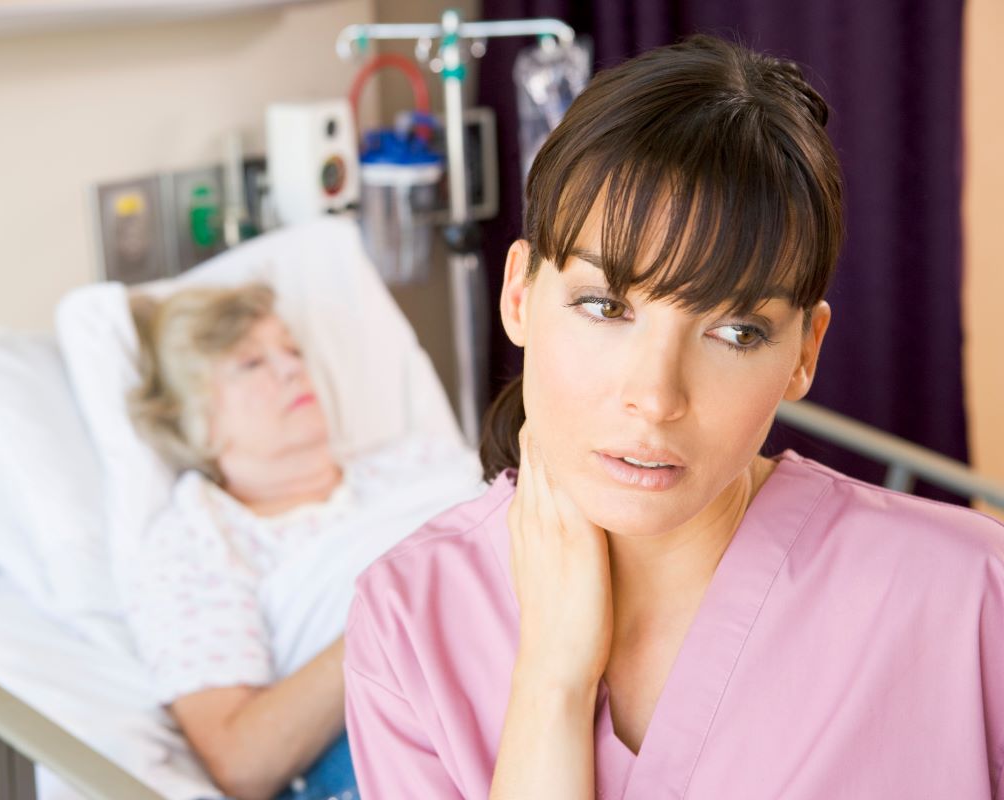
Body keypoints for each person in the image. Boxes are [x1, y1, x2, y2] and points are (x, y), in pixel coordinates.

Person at [343, 34, 1004, 799]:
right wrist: (552, 680)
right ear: (519, 295)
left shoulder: (971, 599)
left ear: (804, 352)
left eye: (735, 333)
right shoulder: (408, 624)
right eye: (604, 307)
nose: (656, 398)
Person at [118, 283, 481, 800]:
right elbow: (241, 761)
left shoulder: (417, 462)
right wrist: (396, 615)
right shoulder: (199, 540)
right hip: (389, 730)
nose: (291, 368)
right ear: (195, 422)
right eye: (251, 363)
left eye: (291, 350)